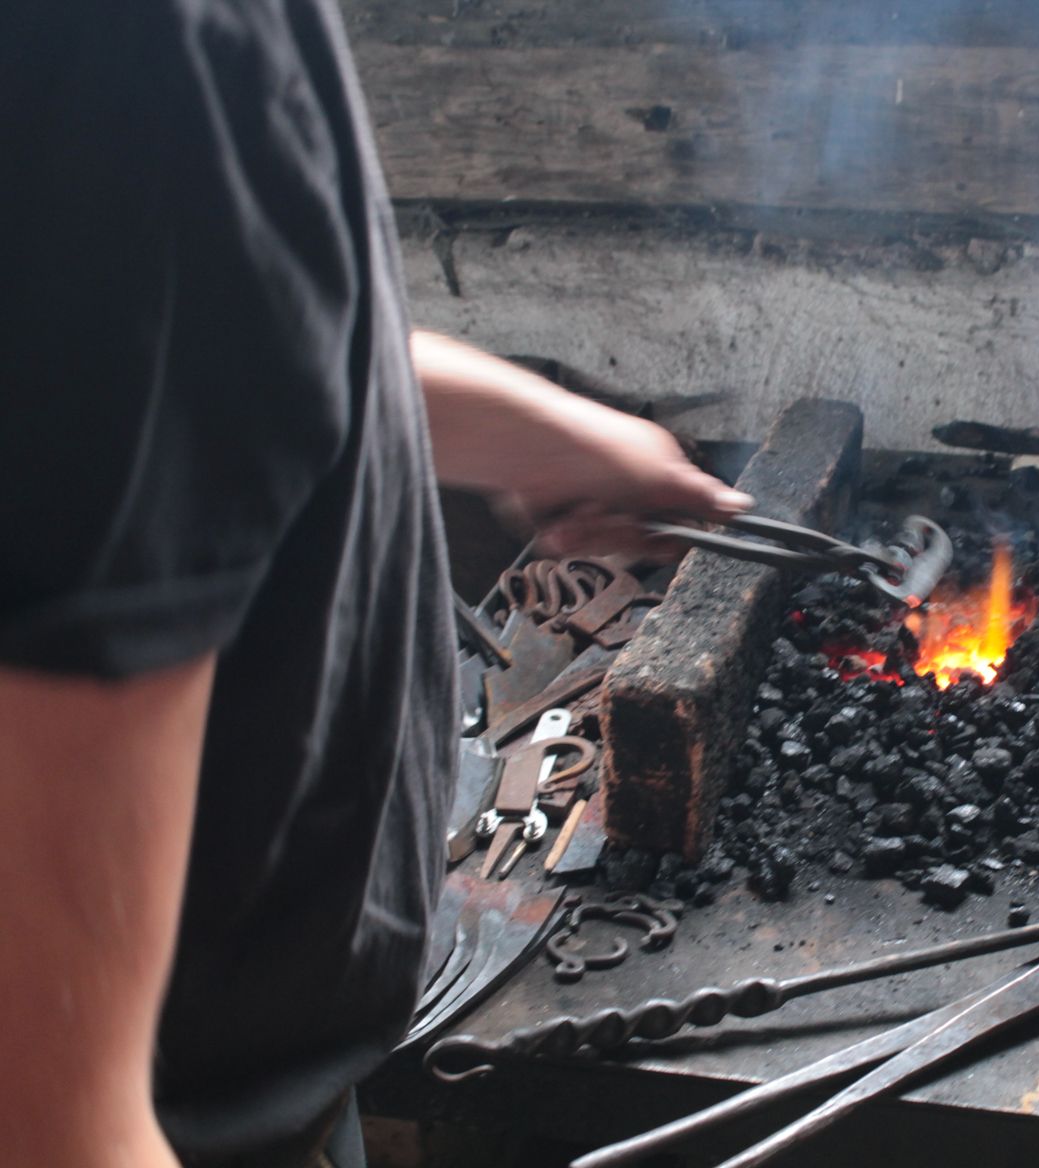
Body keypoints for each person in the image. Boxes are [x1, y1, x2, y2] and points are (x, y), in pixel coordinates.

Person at [0, 3, 749, 1165]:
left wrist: (542, 436)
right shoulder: (138, 40)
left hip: (257, 1070)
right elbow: (51, 1117)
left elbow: (215, 330)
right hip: (183, 1123)